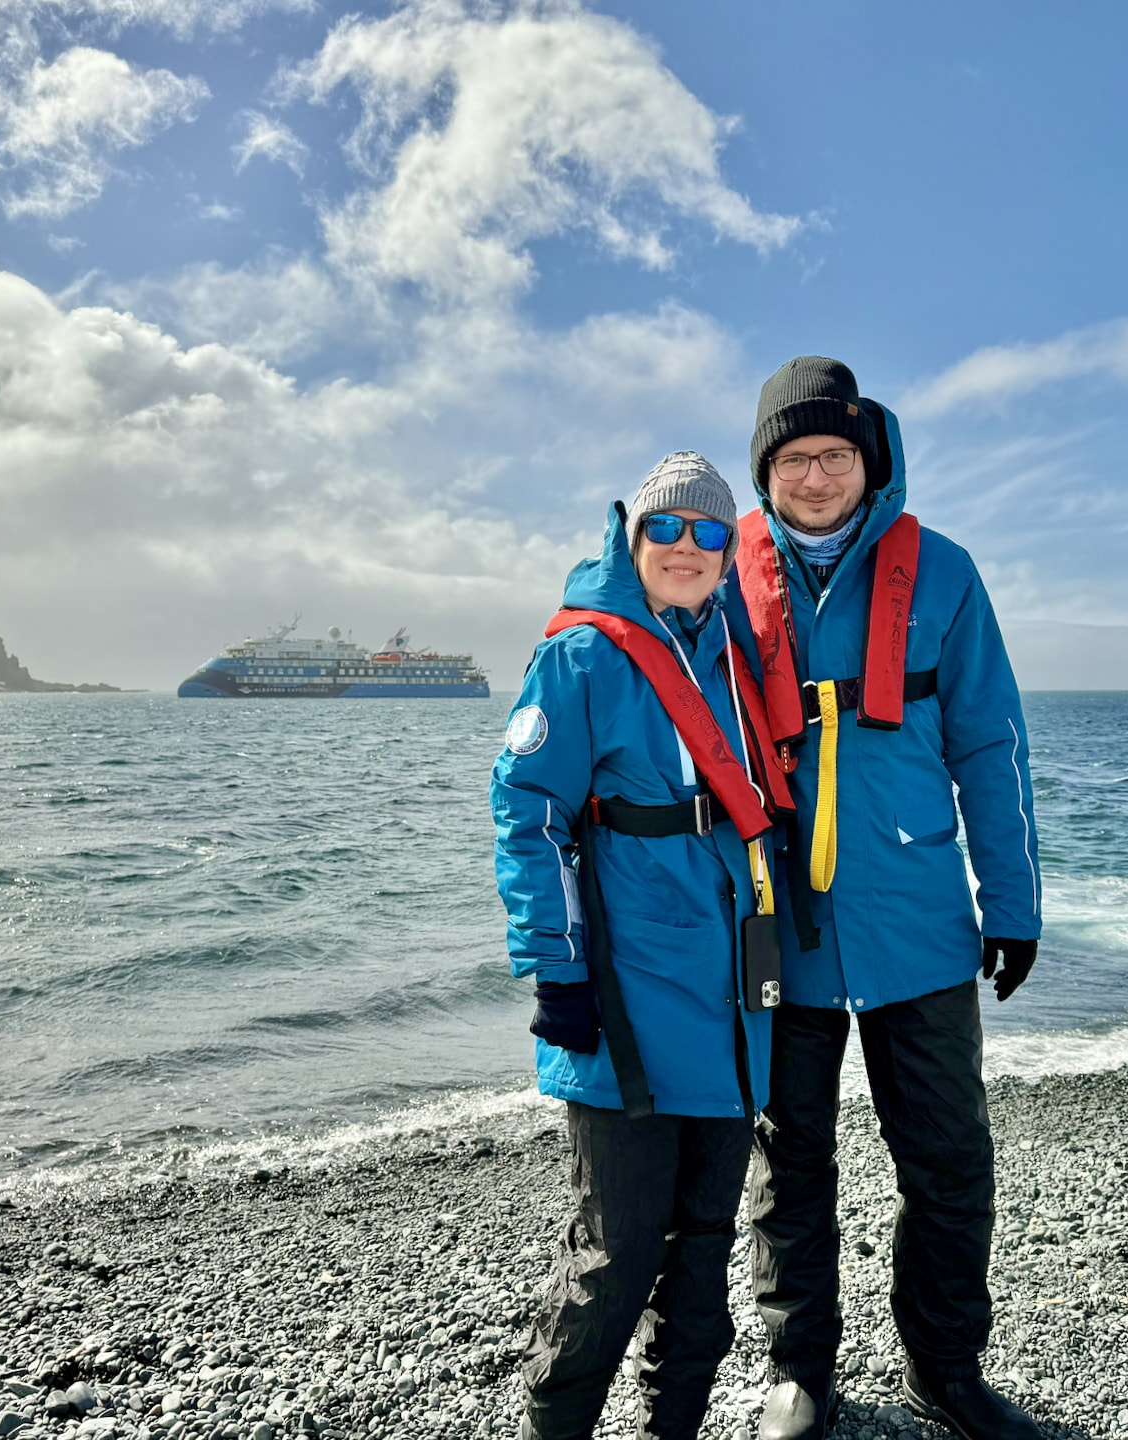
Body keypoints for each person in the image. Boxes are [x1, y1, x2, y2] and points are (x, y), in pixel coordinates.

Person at [724, 359, 1045, 1440]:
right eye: (794, 457)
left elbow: (990, 743)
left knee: (949, 1160)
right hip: (781, 923)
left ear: (873, 460)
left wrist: (1014, 904)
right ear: (764, 469)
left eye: (836, 455)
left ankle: (945, 1369)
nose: (816, 478)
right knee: (790, 1161)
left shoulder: (945, 575)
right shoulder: (718, 575)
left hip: (918, 918)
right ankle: (796, 1373)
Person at [491, 452, 793, 1440]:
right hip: (622, 1002)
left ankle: (675, 1429)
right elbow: (526, 812)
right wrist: (556, 969)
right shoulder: (582, 658)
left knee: (704, 1245)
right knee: (616, 1251)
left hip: (732, 1002)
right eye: (667, 528)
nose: (688, 547)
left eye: (710, 531)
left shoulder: (736, 656)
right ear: (634, 540)